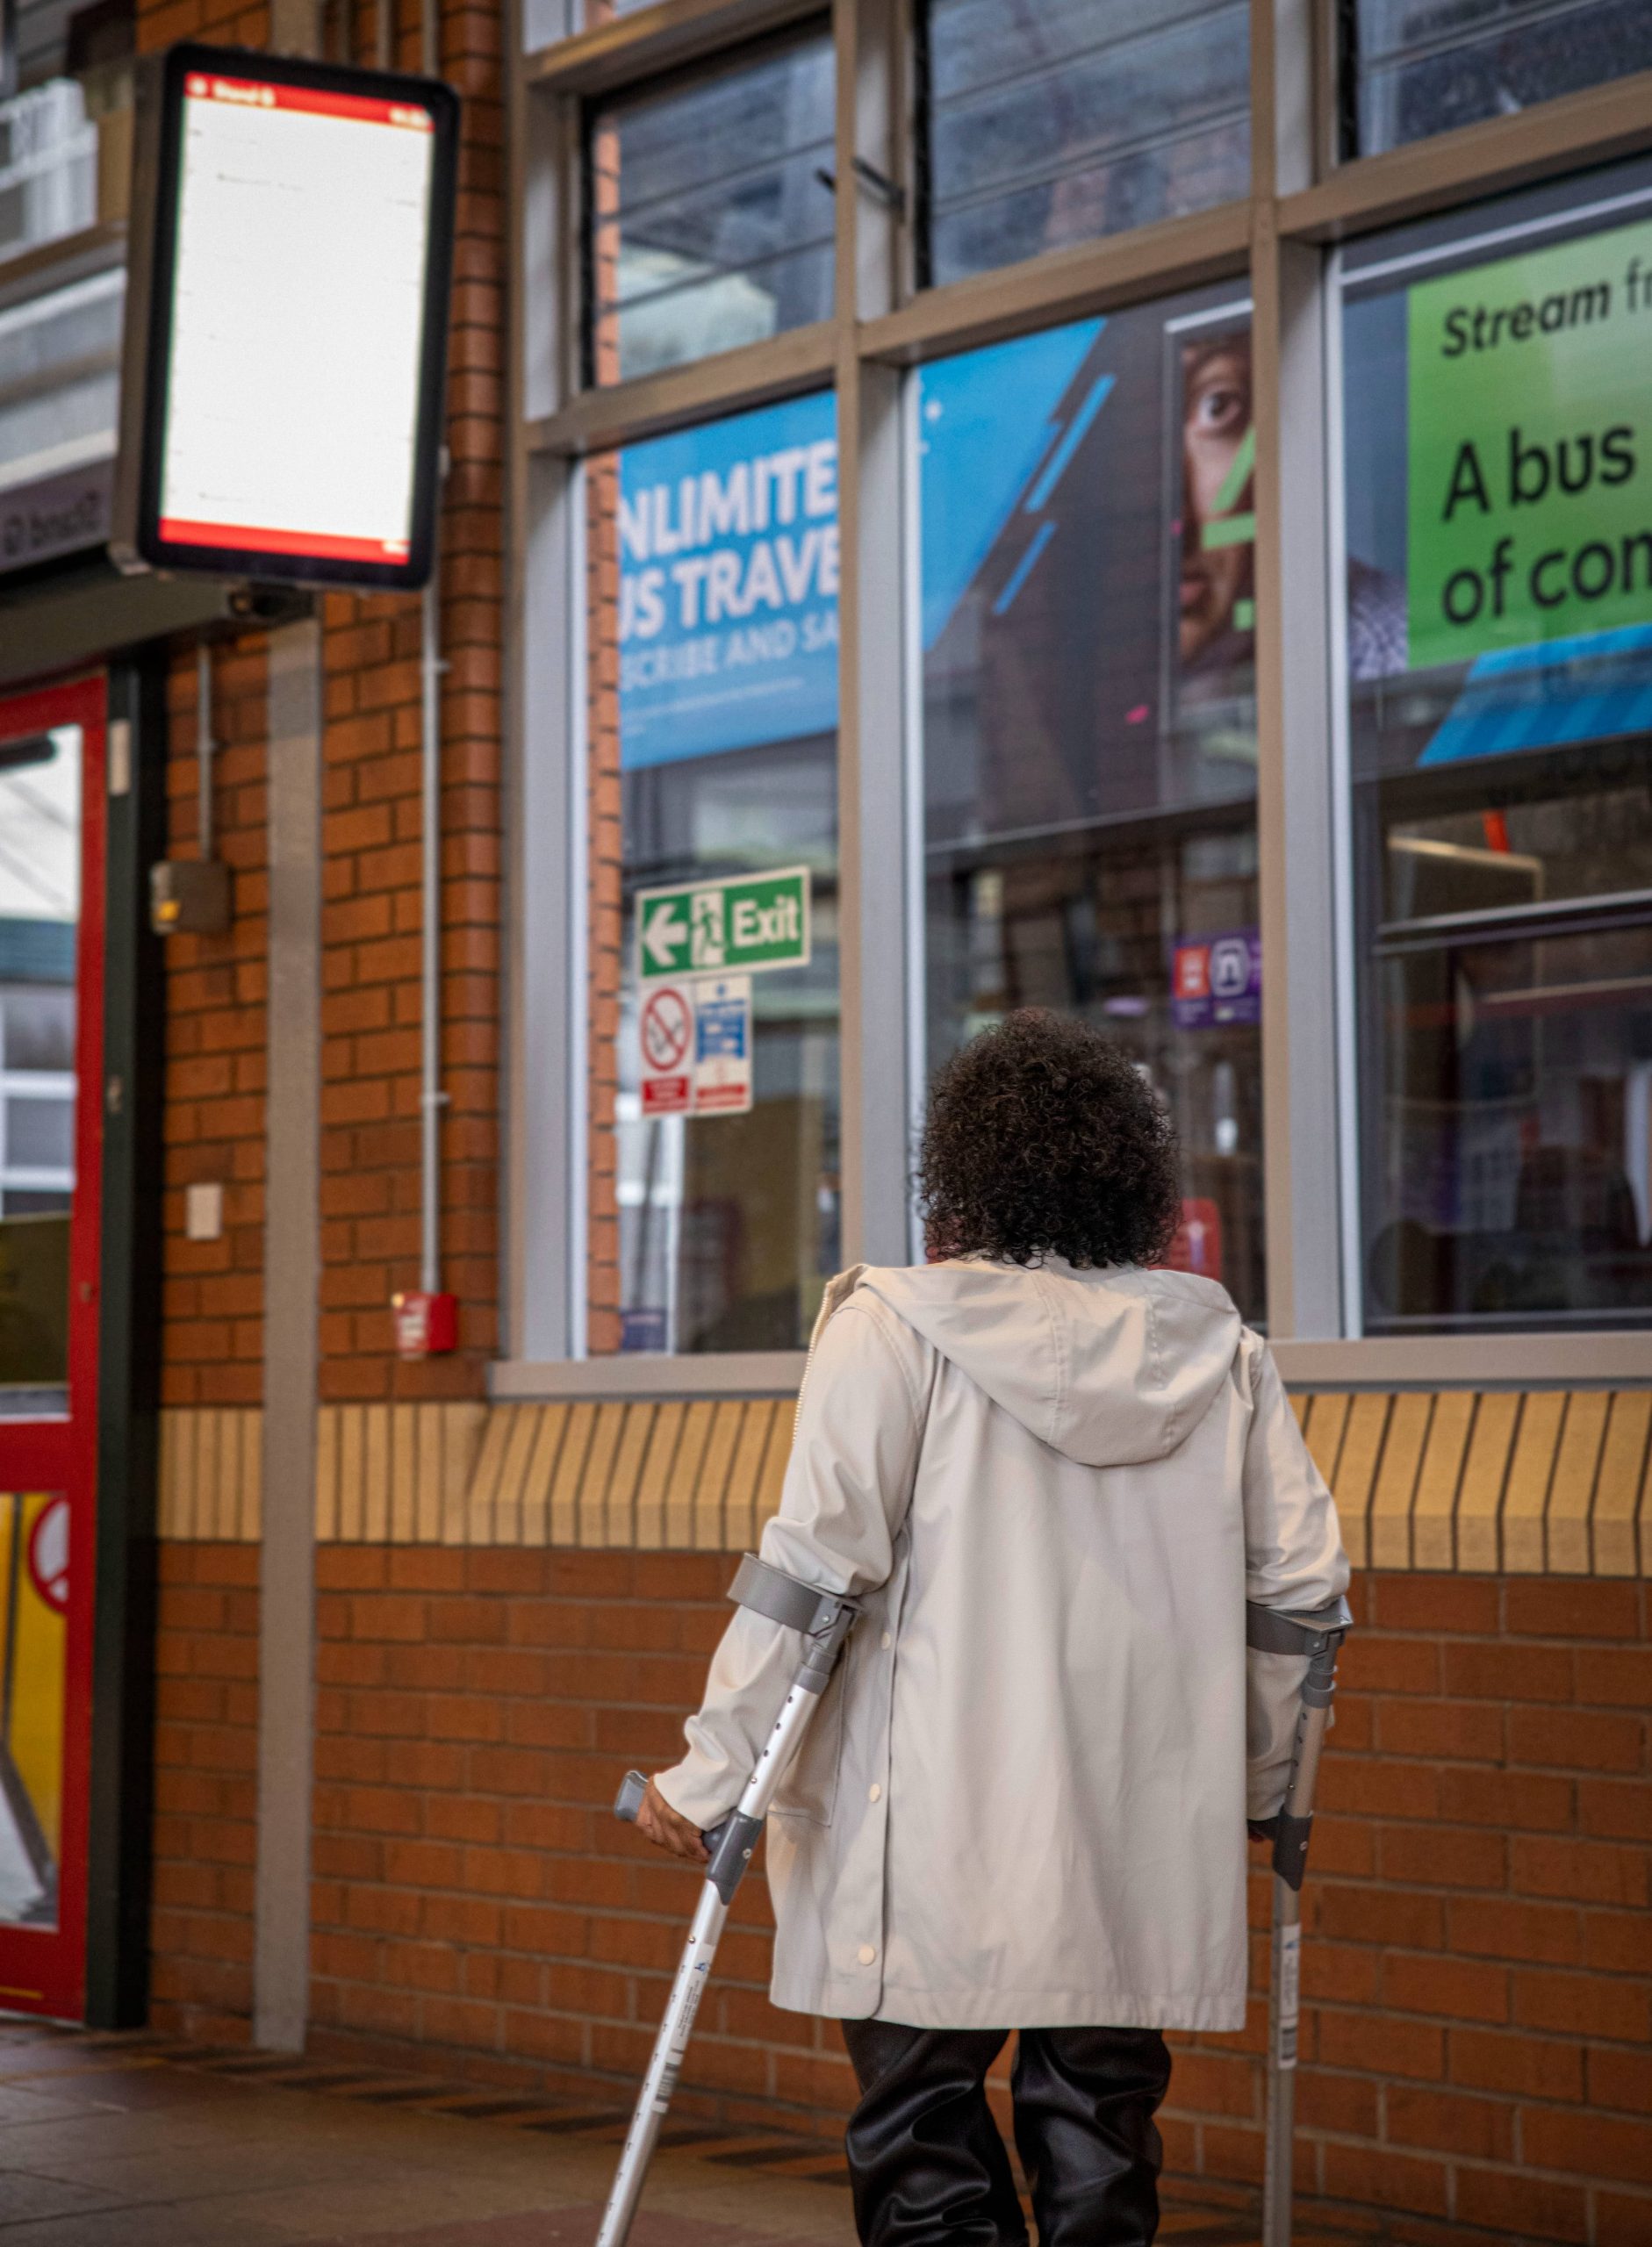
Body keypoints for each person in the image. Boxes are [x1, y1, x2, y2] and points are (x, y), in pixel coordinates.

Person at [632, 1009, 1348, 2246]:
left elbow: (812, 1575)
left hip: (925, 1835)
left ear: (959, 1171)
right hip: (1133, 1835)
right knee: (1101, 2151)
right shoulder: (1221, 1351)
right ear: (1131, 1178)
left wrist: (714, 1778)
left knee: (925, 2157)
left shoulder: (892, 1326)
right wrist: (1260, 1783)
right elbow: (1298, 1599)